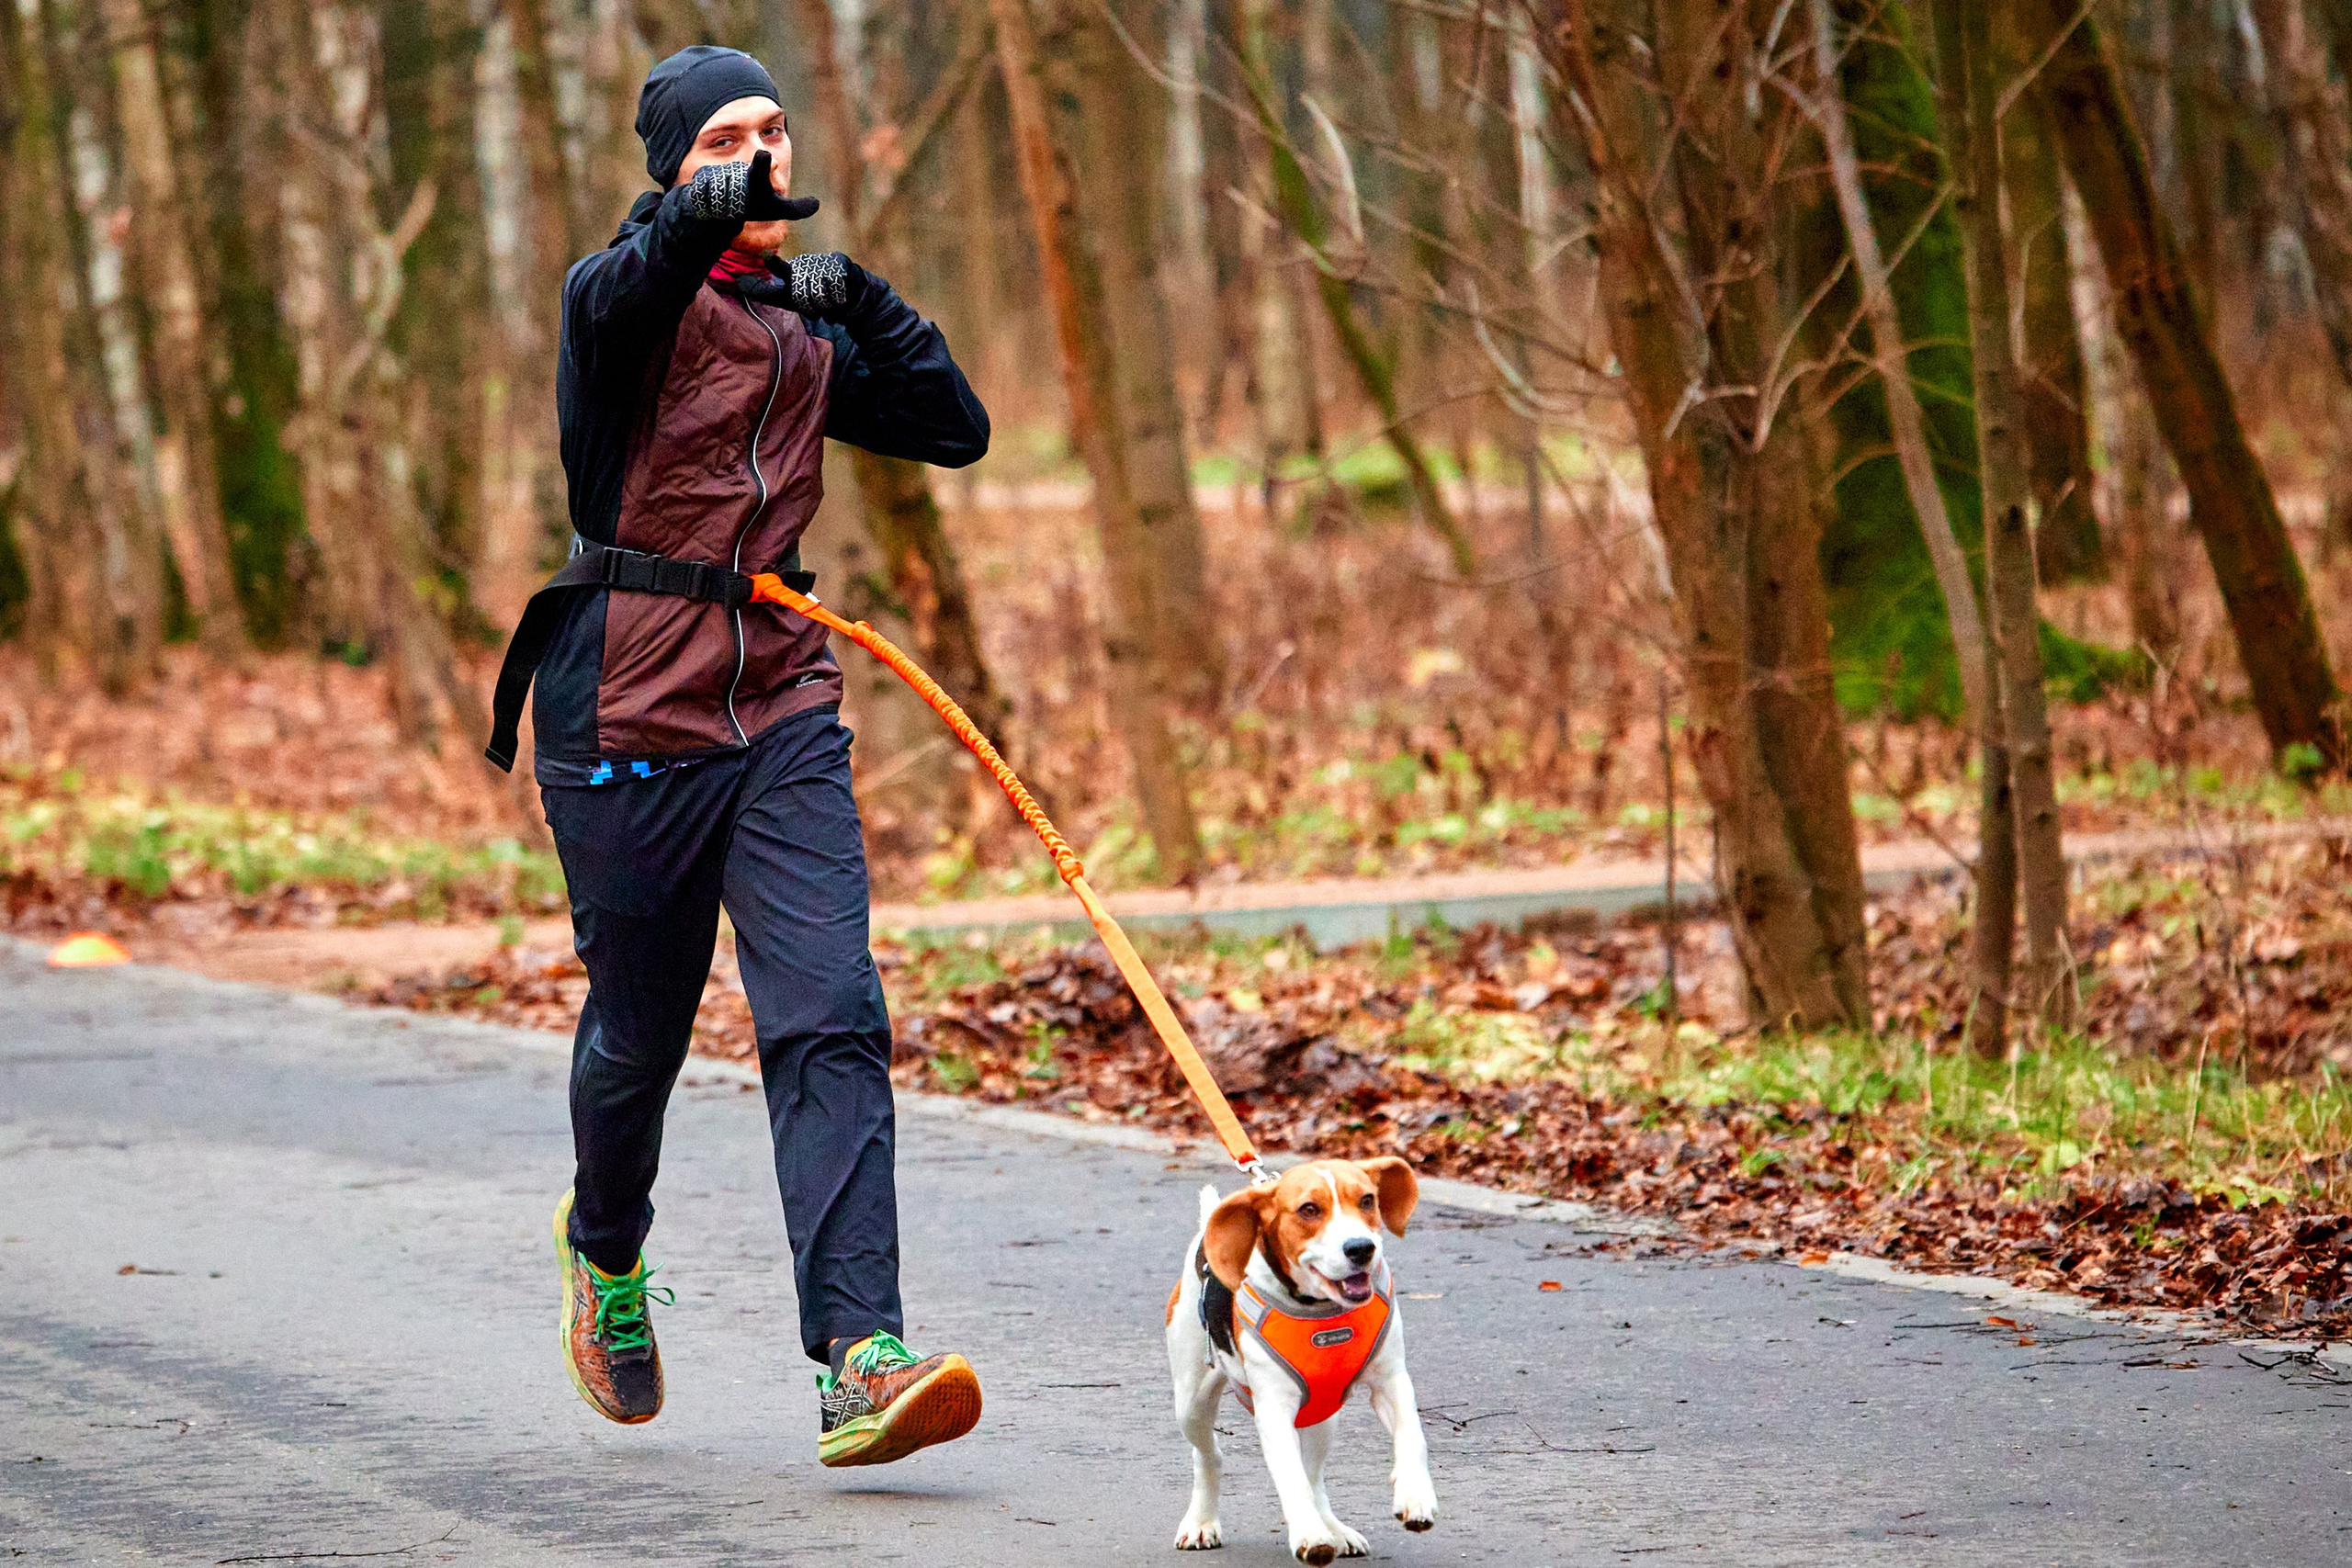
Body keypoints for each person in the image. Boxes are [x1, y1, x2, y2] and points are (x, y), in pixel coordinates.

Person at [498, 44, 989, 1467]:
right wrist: (703, 210)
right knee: (639, 1039)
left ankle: (860, 1359)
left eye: (774, 127)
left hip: (779, 702)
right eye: (725, 135)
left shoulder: (791, 323)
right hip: (624, 717)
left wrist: (867, 303)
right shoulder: (620, 304)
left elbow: (953, 430)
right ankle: (603, 1249)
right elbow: (646, 273)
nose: (763, 152)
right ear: (673, 165)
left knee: (830, 1006)